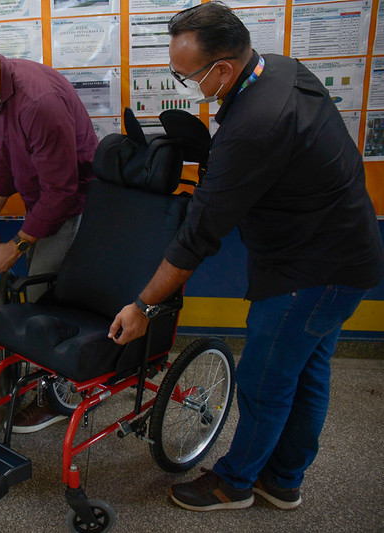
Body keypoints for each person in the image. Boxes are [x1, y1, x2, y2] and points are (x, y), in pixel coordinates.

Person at [107, 1, 384, 512]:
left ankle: (234, 484)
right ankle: (283, 479)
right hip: (349, 254)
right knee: (306, 372)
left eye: (186, 75)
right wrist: (220, 157)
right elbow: (279, 161)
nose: (183, 81)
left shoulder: (254, 125)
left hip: (311, 273)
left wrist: (143, 306)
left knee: (264, 380)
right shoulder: (278, 69)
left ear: (223, 69)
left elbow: (198, 236)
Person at [0, 33, 99, 433]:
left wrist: (18, 244)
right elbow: (8, 154)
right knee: (33, 292)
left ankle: (57, 397)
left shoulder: (37, 101)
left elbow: (62, 191)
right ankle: (48, 378)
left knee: (40, 298)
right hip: (42, 201)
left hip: (73, 205)